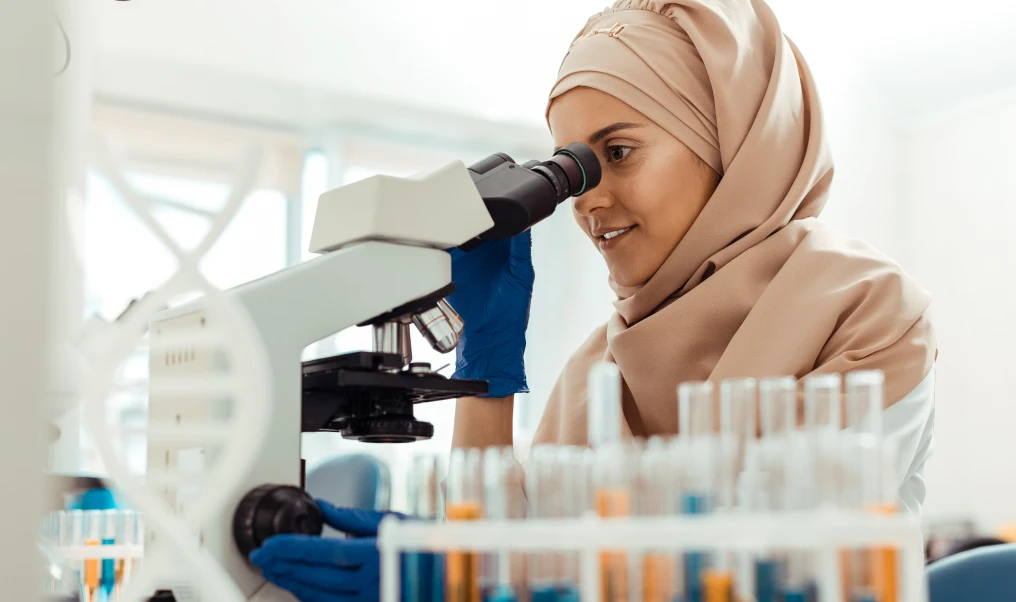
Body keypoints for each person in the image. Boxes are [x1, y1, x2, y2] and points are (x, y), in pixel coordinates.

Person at [251, 0, 937, 600]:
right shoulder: (598, 368)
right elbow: (494, 539)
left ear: (728, 147)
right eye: (572, 167)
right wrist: (485, 372)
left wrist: (487, 574)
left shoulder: (865, 308)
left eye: (620, 151)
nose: (588, 198)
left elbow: (782, 568)